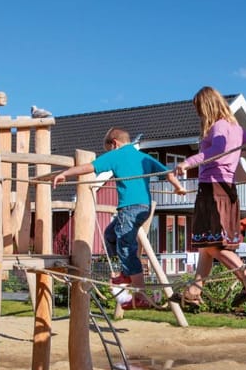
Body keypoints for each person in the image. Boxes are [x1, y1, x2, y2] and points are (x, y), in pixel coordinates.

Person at [52, 127, 186, 308]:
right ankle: (126, 273)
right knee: (110, 235)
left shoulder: (116, 155)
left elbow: (89, 167)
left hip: (129, 208)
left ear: (114, 143)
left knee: (126, 247)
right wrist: (178, 187)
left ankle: (139, 295)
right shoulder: (143, 156)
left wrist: (64, 174)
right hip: (143, 208)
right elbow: (168, 173)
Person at [172, 86, 246, 308]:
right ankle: (194, 292)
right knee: (206, 246)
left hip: (212, 190)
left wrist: (188, 162)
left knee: (215, 246)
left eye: (199, 109)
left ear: (207, 107)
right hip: (227, 190)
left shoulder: (218, 127)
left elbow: (217, 151)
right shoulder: (237, 128)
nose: (199, 115)